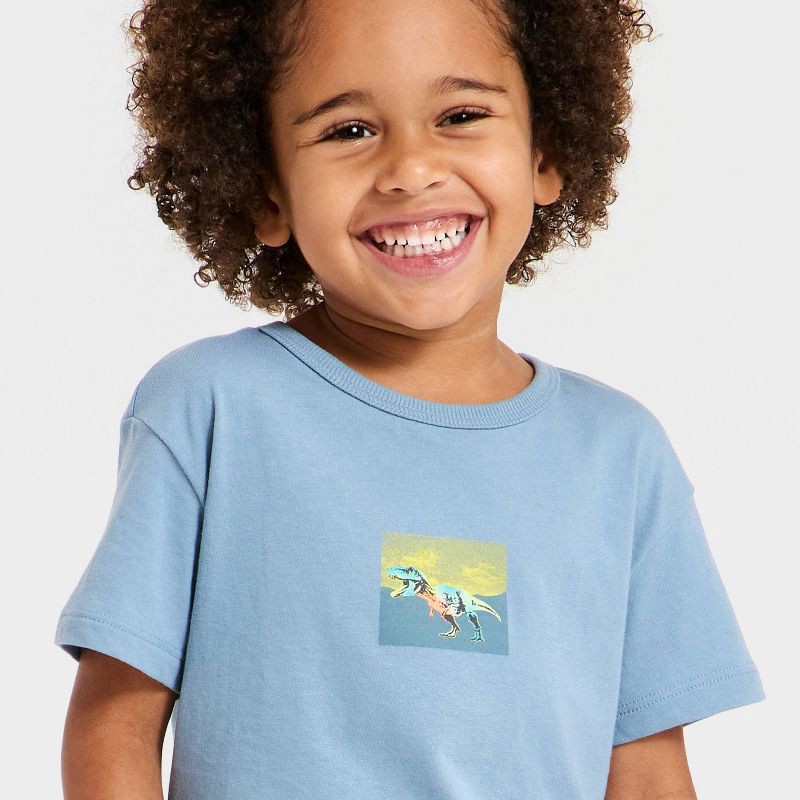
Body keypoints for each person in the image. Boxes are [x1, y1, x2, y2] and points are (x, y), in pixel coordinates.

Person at [54, 0, 766, 798]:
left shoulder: (620, 455)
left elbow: (649, 772)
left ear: (547, 152)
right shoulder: (212, 407)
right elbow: (113, 724)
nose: (411, 169)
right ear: (267, 192)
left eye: (460, 116)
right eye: (349, 130)